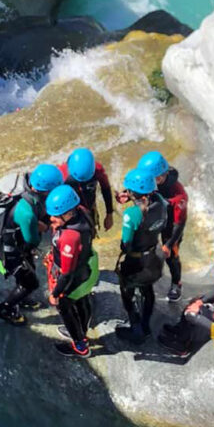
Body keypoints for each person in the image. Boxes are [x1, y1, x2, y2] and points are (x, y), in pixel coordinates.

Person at [0, 163, 63, 326]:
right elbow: (33, 240)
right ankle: (5, 309)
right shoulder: (27, 213)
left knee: (27, 273)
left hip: (13, 243)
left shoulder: (25, 194)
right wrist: (41, 227)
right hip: (10, 251)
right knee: (31, 283)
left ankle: (21, 298)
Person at [112, 168, 169, 345]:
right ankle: (146, 324)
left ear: (132, 192)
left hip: (137, 262)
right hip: (154, 257)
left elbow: (126, 243)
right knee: (147, 289)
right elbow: (146, 203)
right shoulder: (160, 202)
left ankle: (137, 330)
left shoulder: (132, 214)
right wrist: (131, 196)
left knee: (126, 291)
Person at [44, 185, 101, 358]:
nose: (51, 219)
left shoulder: (70, 237)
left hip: (74, 276)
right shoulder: (82, 211)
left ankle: (80, 345)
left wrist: (56, 293)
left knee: (65, 306)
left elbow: (67, 273)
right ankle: (82, 329)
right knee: (82, 299)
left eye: (56, 215)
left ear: (68, 214)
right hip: (87, 269)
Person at [137, 151, 188, 302]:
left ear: (159, 178)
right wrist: (128, 194)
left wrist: (168, 244)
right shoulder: (152, 180)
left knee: (171, 256)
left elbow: (180, 224)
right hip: (155, 217)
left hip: (170, 225)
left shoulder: (178, 195)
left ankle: (176, 283)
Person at [58, 147, 114, 233]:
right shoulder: (62, 174)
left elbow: (105, 188)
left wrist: (109, 214)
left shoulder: (98, 170)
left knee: (90, 230)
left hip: (89, 206)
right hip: (70, 210)